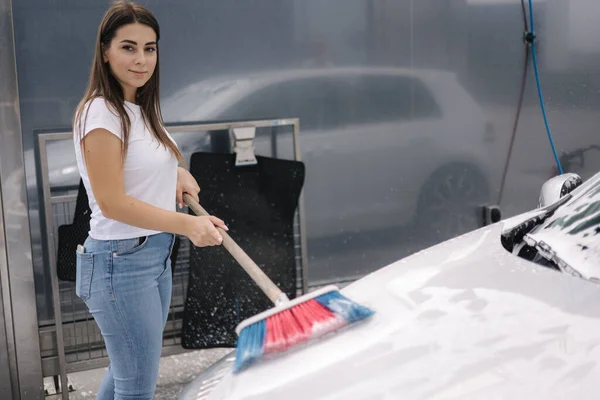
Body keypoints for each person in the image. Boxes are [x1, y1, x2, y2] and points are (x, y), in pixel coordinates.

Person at [72, 1, 227, 399]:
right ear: (105, 51)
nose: (141, 59)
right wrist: (190, 225)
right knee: (136, 385)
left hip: (151, 255)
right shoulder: (101, 113)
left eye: (150, 48)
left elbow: (135, 166)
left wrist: (172, 173)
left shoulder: (137, 108)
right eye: (128, 47)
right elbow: (112, 202)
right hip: (119, 263)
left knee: (129, 376)